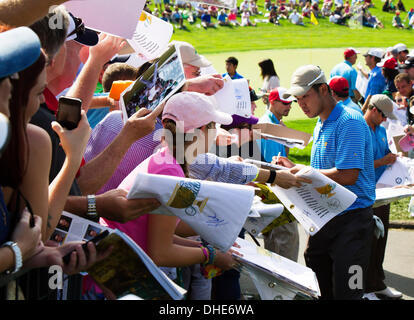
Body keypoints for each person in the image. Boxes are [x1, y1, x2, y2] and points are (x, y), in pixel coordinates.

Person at [100, 92, 239, 299]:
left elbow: (161, 232)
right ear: (201, 131)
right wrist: (210, 255)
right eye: (213, 127)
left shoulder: (166, 160)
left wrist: (208, 246)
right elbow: (161, 252)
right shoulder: (170, 172)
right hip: (121, 271)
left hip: (115, 262)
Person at [278, 65, 375, 300]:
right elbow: (322, 173)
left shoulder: (349, 121)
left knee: (349, 292)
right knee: (318, 286)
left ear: (323, 89)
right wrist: (293, 169)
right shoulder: (321, 121)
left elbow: (348, 175)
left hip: (352, 220)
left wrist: (306, 171)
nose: (301, 104)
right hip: (324, 217)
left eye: (305, 97)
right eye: (298, 99)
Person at [362, 94, 403, 300]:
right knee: (366, 242)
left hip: (382, 192)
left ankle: (377, 282)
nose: (386, 120)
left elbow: (385, 153)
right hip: (364, 193)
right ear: (374, 110)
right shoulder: (359, 129)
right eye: (384, 116)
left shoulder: (380, 130)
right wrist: (382, 161)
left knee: (381, 239)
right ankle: (365, 288)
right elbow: (356, 165)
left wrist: (394, 158)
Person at [258, 87, 301, 262]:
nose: (289, 106)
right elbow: (274, 164)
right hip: (277, 191)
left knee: (275, 242)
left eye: (290, 103)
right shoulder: (271, 126)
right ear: (272, 102)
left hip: (271, 190)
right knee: (286, 242)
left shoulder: (275, 124)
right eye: (284, 103)